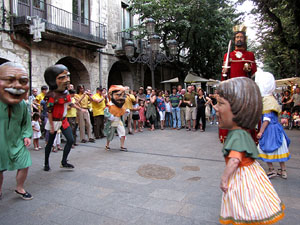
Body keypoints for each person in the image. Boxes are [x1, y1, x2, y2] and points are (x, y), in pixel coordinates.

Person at [216, 77, 285, 225]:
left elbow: (234, 160)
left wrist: (224, 178)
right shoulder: (243, 132)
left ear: (239, 109)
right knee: (249, 203)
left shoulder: (237, 134)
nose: (216, 108)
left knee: (244, 204)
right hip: (251, 173)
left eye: (221, 103)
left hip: (242, 176)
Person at [0, 62, 33, 200]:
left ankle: (19, 188)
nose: (18, 86)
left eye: (23, 81)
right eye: (9, 80)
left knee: (25, 163)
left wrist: (26, 135)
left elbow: (26, 122)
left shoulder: (22, 105)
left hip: (17, 140)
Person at [220, 25, 257, 143]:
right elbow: (224, 78)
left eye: (241, 37)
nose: (239, 39)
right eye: (237, 37)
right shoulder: (228, 56)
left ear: (244, 39)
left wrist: (249, 69)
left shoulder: (250, 55)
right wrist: (224, 73)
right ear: (234, 40)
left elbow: (254, 74)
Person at [43, 64, 84, 171]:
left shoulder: (66, 93)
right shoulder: (51, 95)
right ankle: (46, 163)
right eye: (62, 78)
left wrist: (81, 109)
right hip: (54, 122)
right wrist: (52, 127)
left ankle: (64, 161)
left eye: (67, 76)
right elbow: (50, 112)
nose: (67, 80)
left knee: (70, 140)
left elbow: (71, 104)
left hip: (63, 120)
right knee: (50, 143)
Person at [255, 71, 291, 179]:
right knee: (280, 149)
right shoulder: (272, 99)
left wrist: (261, 132)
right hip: (277, 128)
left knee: (264, 148)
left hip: (269, 129)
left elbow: (266, 119)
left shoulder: (266, 100)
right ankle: (283, 171)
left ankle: (271, 170)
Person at [104, 85, 129, 151]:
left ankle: (122, 146)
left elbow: (122, 109)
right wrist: (109, 116)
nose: (121, 97)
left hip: (118, 120)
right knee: (110, 133)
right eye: (118, 95)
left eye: (123, 95)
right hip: (113, 120)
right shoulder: (110, 104)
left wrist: (126, 111)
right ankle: (107, 145)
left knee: (122, 132)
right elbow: (105, 111)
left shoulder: (120, 104)